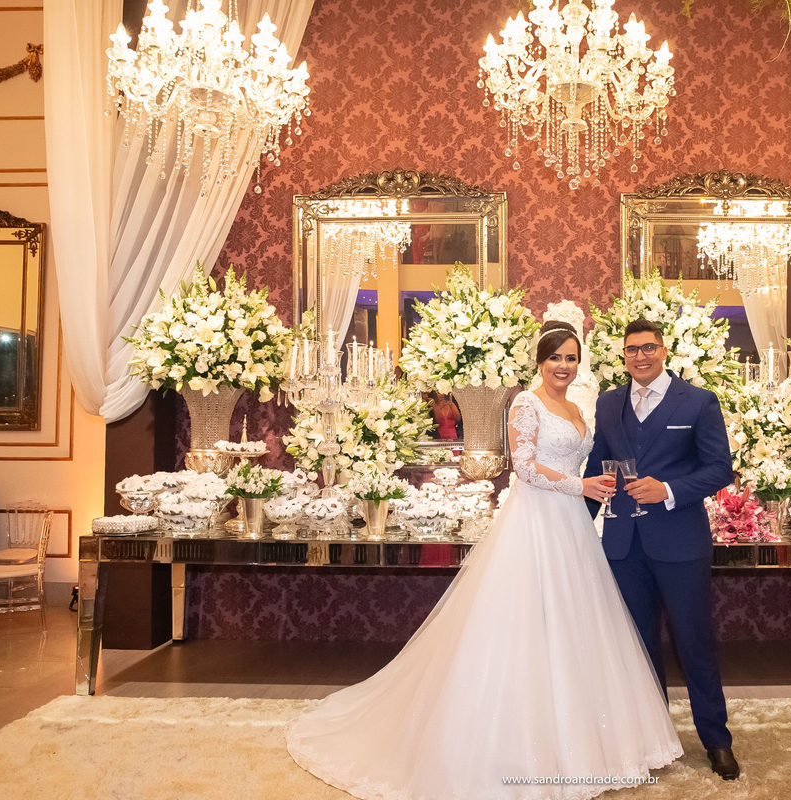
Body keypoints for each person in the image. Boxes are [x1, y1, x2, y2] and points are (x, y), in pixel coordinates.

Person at [287, 320, 682, 800]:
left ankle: (586, 739)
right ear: (539, 362)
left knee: (577, 622)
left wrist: (602, 485)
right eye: (555, 357)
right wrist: (580, 485)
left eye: (571, 358)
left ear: (581, 363)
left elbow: (589, 461)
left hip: (573, 526)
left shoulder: (580, 407)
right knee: (521, 626)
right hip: (535, 521)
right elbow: (525, 466)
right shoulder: (525, 403)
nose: (563, 366)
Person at [584, 317, 739, 781]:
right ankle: (651, 741)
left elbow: (719, 470)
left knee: (695, 643)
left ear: (664, 350)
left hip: (680, 543)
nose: (640, 356)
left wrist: (669, 489)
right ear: (624, 355)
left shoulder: (698, 401)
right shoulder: (609, 404)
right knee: (638, 646)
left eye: (648, 347)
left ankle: (717, 741)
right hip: (623, 545)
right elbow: (595, 469)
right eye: (632, 350)